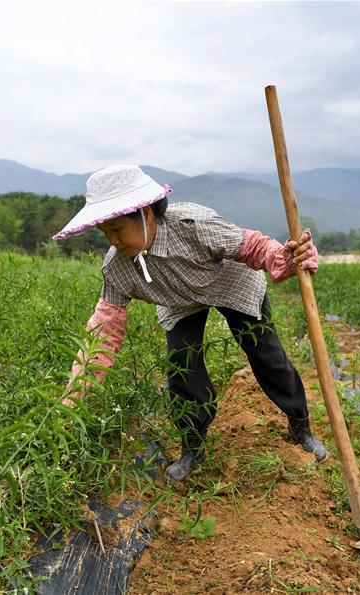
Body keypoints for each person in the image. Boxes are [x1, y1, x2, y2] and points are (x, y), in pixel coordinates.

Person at [52, 164, 327, 480]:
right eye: (106, 233)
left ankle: (300, 423)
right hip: (180, 303)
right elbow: (103, 330)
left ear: (147, 215)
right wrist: (76, 393)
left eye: (118, 230)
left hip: (231, 283)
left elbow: (253, 246)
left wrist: (287, 257)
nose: (113, 241)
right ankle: (193, 447)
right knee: (182, 367)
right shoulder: (117, 268)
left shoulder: (194, 225)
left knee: (265, 352)